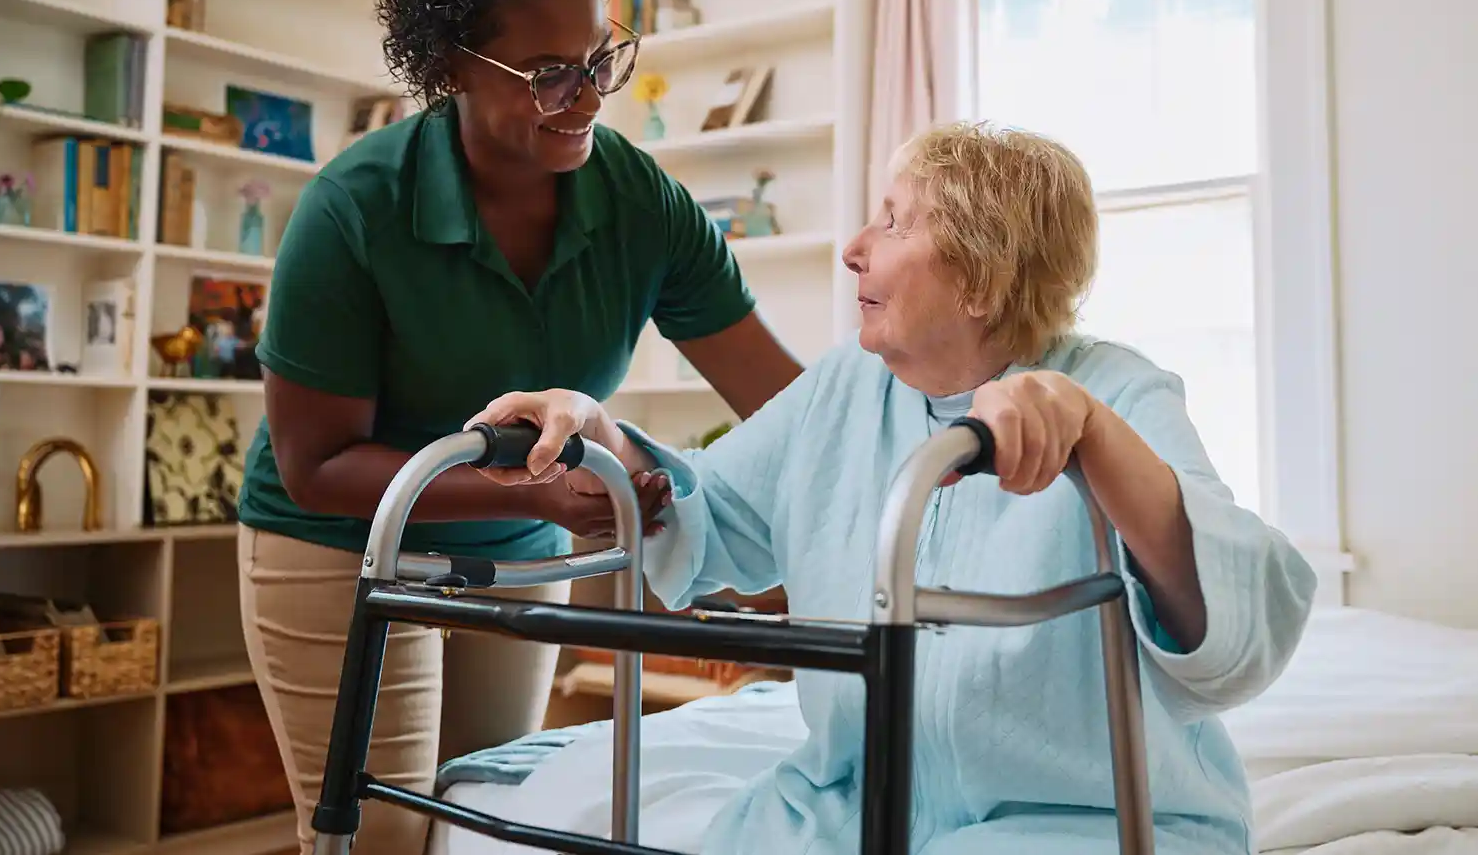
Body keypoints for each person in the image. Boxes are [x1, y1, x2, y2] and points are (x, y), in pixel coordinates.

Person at [467, 121, 1318, 854]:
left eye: (894, 222)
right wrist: (599, 430)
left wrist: (1089, 431)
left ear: (983, 279)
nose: (853, 249)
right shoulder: (845, 386)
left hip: (1074, 816)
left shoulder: (1117, 390)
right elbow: (705, 509)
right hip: (852, 803)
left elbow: (1238, 625)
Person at [235, 0, 803, 855]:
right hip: (339, 541)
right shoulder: (354, 210)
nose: (584, 98)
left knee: (498, 828)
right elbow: (316, 466)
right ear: (452, 66)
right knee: (382, 837)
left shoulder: (640, 203)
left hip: (525, 543)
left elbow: (785, 402)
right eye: (547, 72)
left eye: (599, 60)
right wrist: (543, 496)